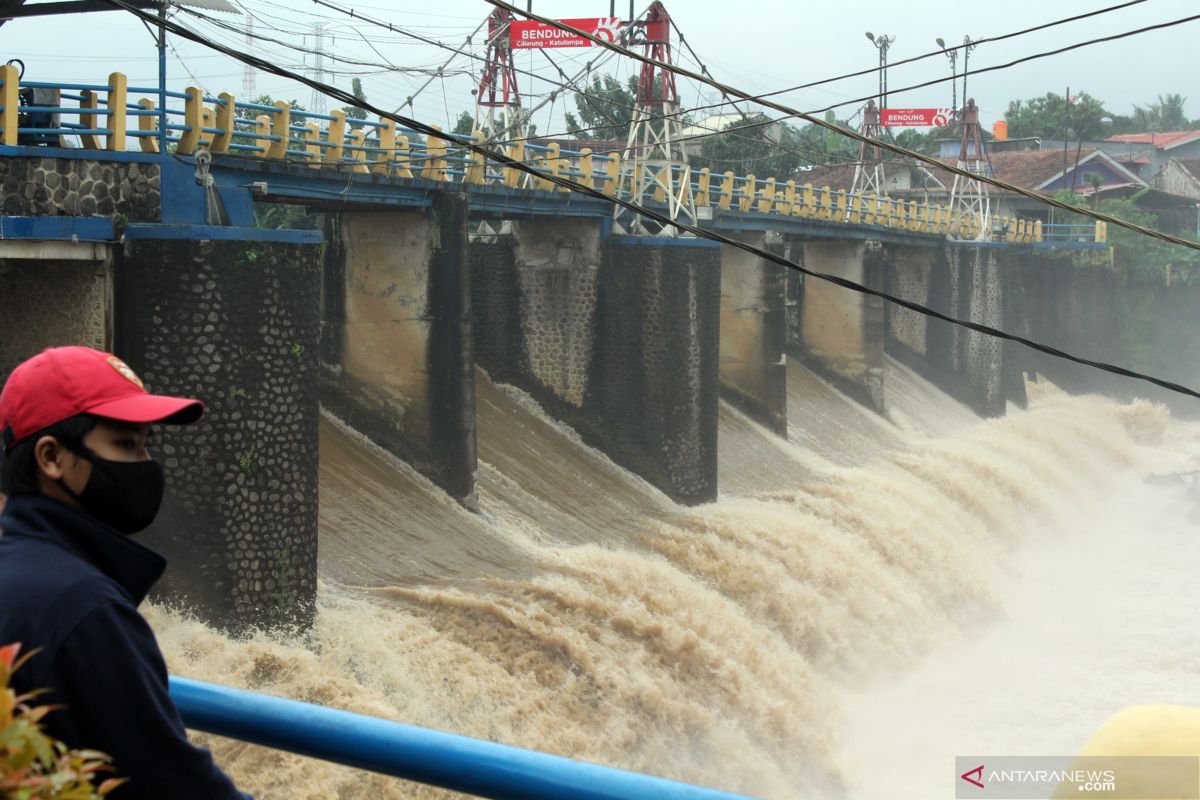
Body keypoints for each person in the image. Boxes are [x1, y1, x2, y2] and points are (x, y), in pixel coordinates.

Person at [0, 346, 250, 799]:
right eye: (124, 445)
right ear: (51, 457)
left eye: (145, 446)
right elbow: (173, 785)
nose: (145, 466)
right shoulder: (85, 609)